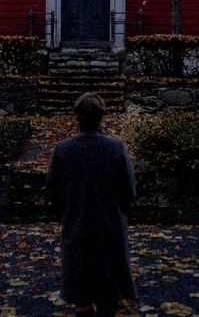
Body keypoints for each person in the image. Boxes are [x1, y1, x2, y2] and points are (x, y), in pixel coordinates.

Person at [46, 92, 137, 317]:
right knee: (108, 292)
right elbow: (129, 189)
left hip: (77, 226)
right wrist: (121, 213)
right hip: (109, 226)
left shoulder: (62, 149)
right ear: (101, 116)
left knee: (81, 292)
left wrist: (65, 215)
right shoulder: (116, 148)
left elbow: (53, 189)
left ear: (77, 117)